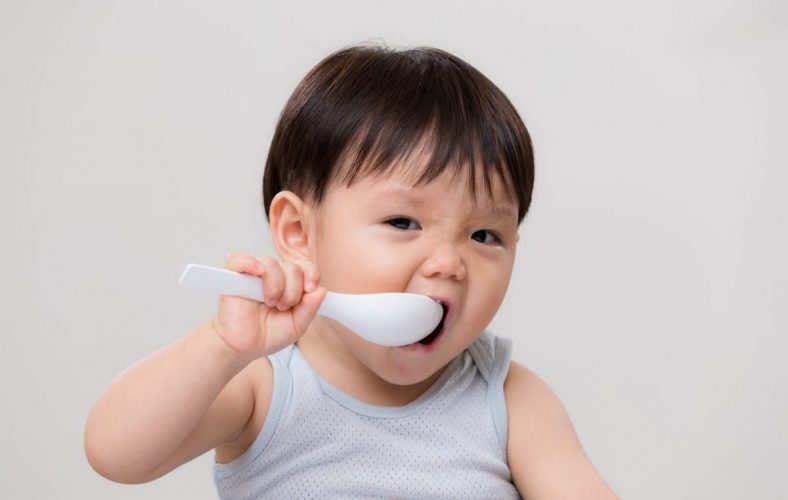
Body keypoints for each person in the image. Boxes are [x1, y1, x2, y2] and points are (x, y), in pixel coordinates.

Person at [85, 43, 619, 499]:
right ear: (298, 233)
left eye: (485, 236)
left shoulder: (505, 396)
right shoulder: (264, 383)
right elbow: (115, 453)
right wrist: (222, 348)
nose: (450, 263)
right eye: (404, 221)